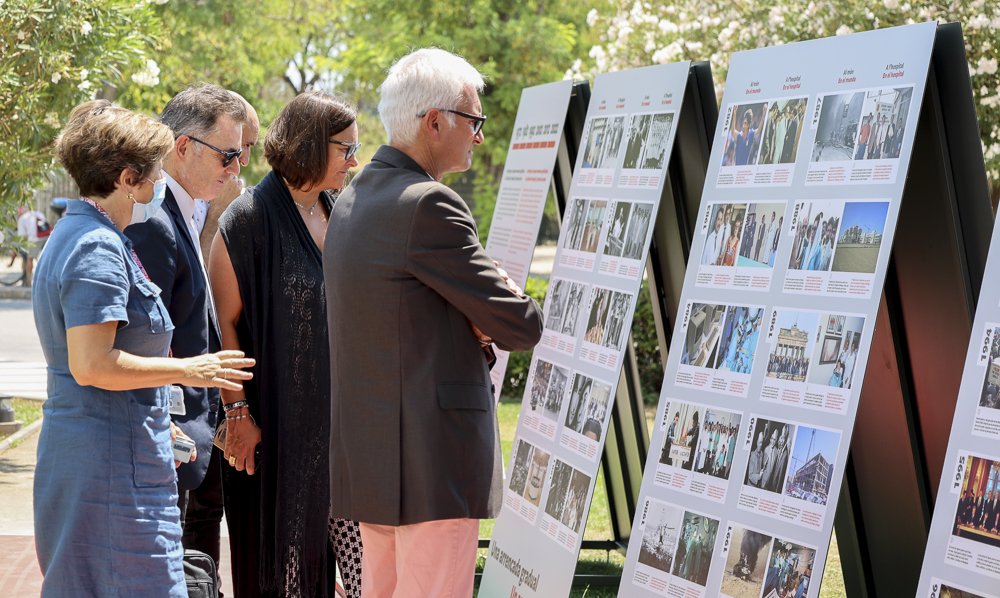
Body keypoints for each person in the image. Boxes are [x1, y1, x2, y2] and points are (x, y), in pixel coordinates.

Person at [324, 48, 543, 597]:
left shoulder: (353, 200)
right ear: (435, 121)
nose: (479, 136)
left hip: (377, 462)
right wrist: (492, 307)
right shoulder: (429, 204)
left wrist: (472, 316)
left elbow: (400, 319)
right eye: (475, 121)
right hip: (431, 465)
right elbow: (520, 324)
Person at [33, 99, 254, 596]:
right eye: (154, 171)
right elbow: (92, 364)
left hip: (110, 459)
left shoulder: (94, 235)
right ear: (127, 178)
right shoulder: (96, 245)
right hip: (109, 469)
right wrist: (190, 370)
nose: (160, 182)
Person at [211, 90, 364, 597]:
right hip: (275, 437)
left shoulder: (341, 211)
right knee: (285, 575)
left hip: (343, 436)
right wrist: (238, 416)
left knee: (368, 572)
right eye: (346, 148)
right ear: (312, 145)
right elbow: (225, 327)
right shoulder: (247, 219)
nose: (354, 160)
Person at [125, 84, 247, 584]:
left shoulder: (184, 210)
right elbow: (141, 339)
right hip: (164, 443)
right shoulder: (154, 222)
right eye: (229, 155)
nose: (236, 169)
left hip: (182, 442)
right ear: (183, 147)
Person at [16, 206, 48, 286]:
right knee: (44, 259)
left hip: (34, 239)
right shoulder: (38, 213)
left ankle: (29, 281)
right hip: (46, 237)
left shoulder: (22, 218)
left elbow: (23, 236)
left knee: (29, 258)